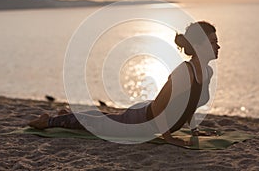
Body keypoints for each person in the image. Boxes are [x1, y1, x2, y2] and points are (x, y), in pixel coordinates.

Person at [29, 21, 220, 146]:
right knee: (97, 125)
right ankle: (49, 120)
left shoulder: (206, 72)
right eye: (213, 42)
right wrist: (168, 138)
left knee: (108, 118)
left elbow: (191, 104)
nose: (218, 46)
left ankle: (68, 114)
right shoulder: (184, 73)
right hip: (141, 122)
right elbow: (160, 105)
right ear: (199, 45)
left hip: (148, 118)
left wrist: (194, 131)